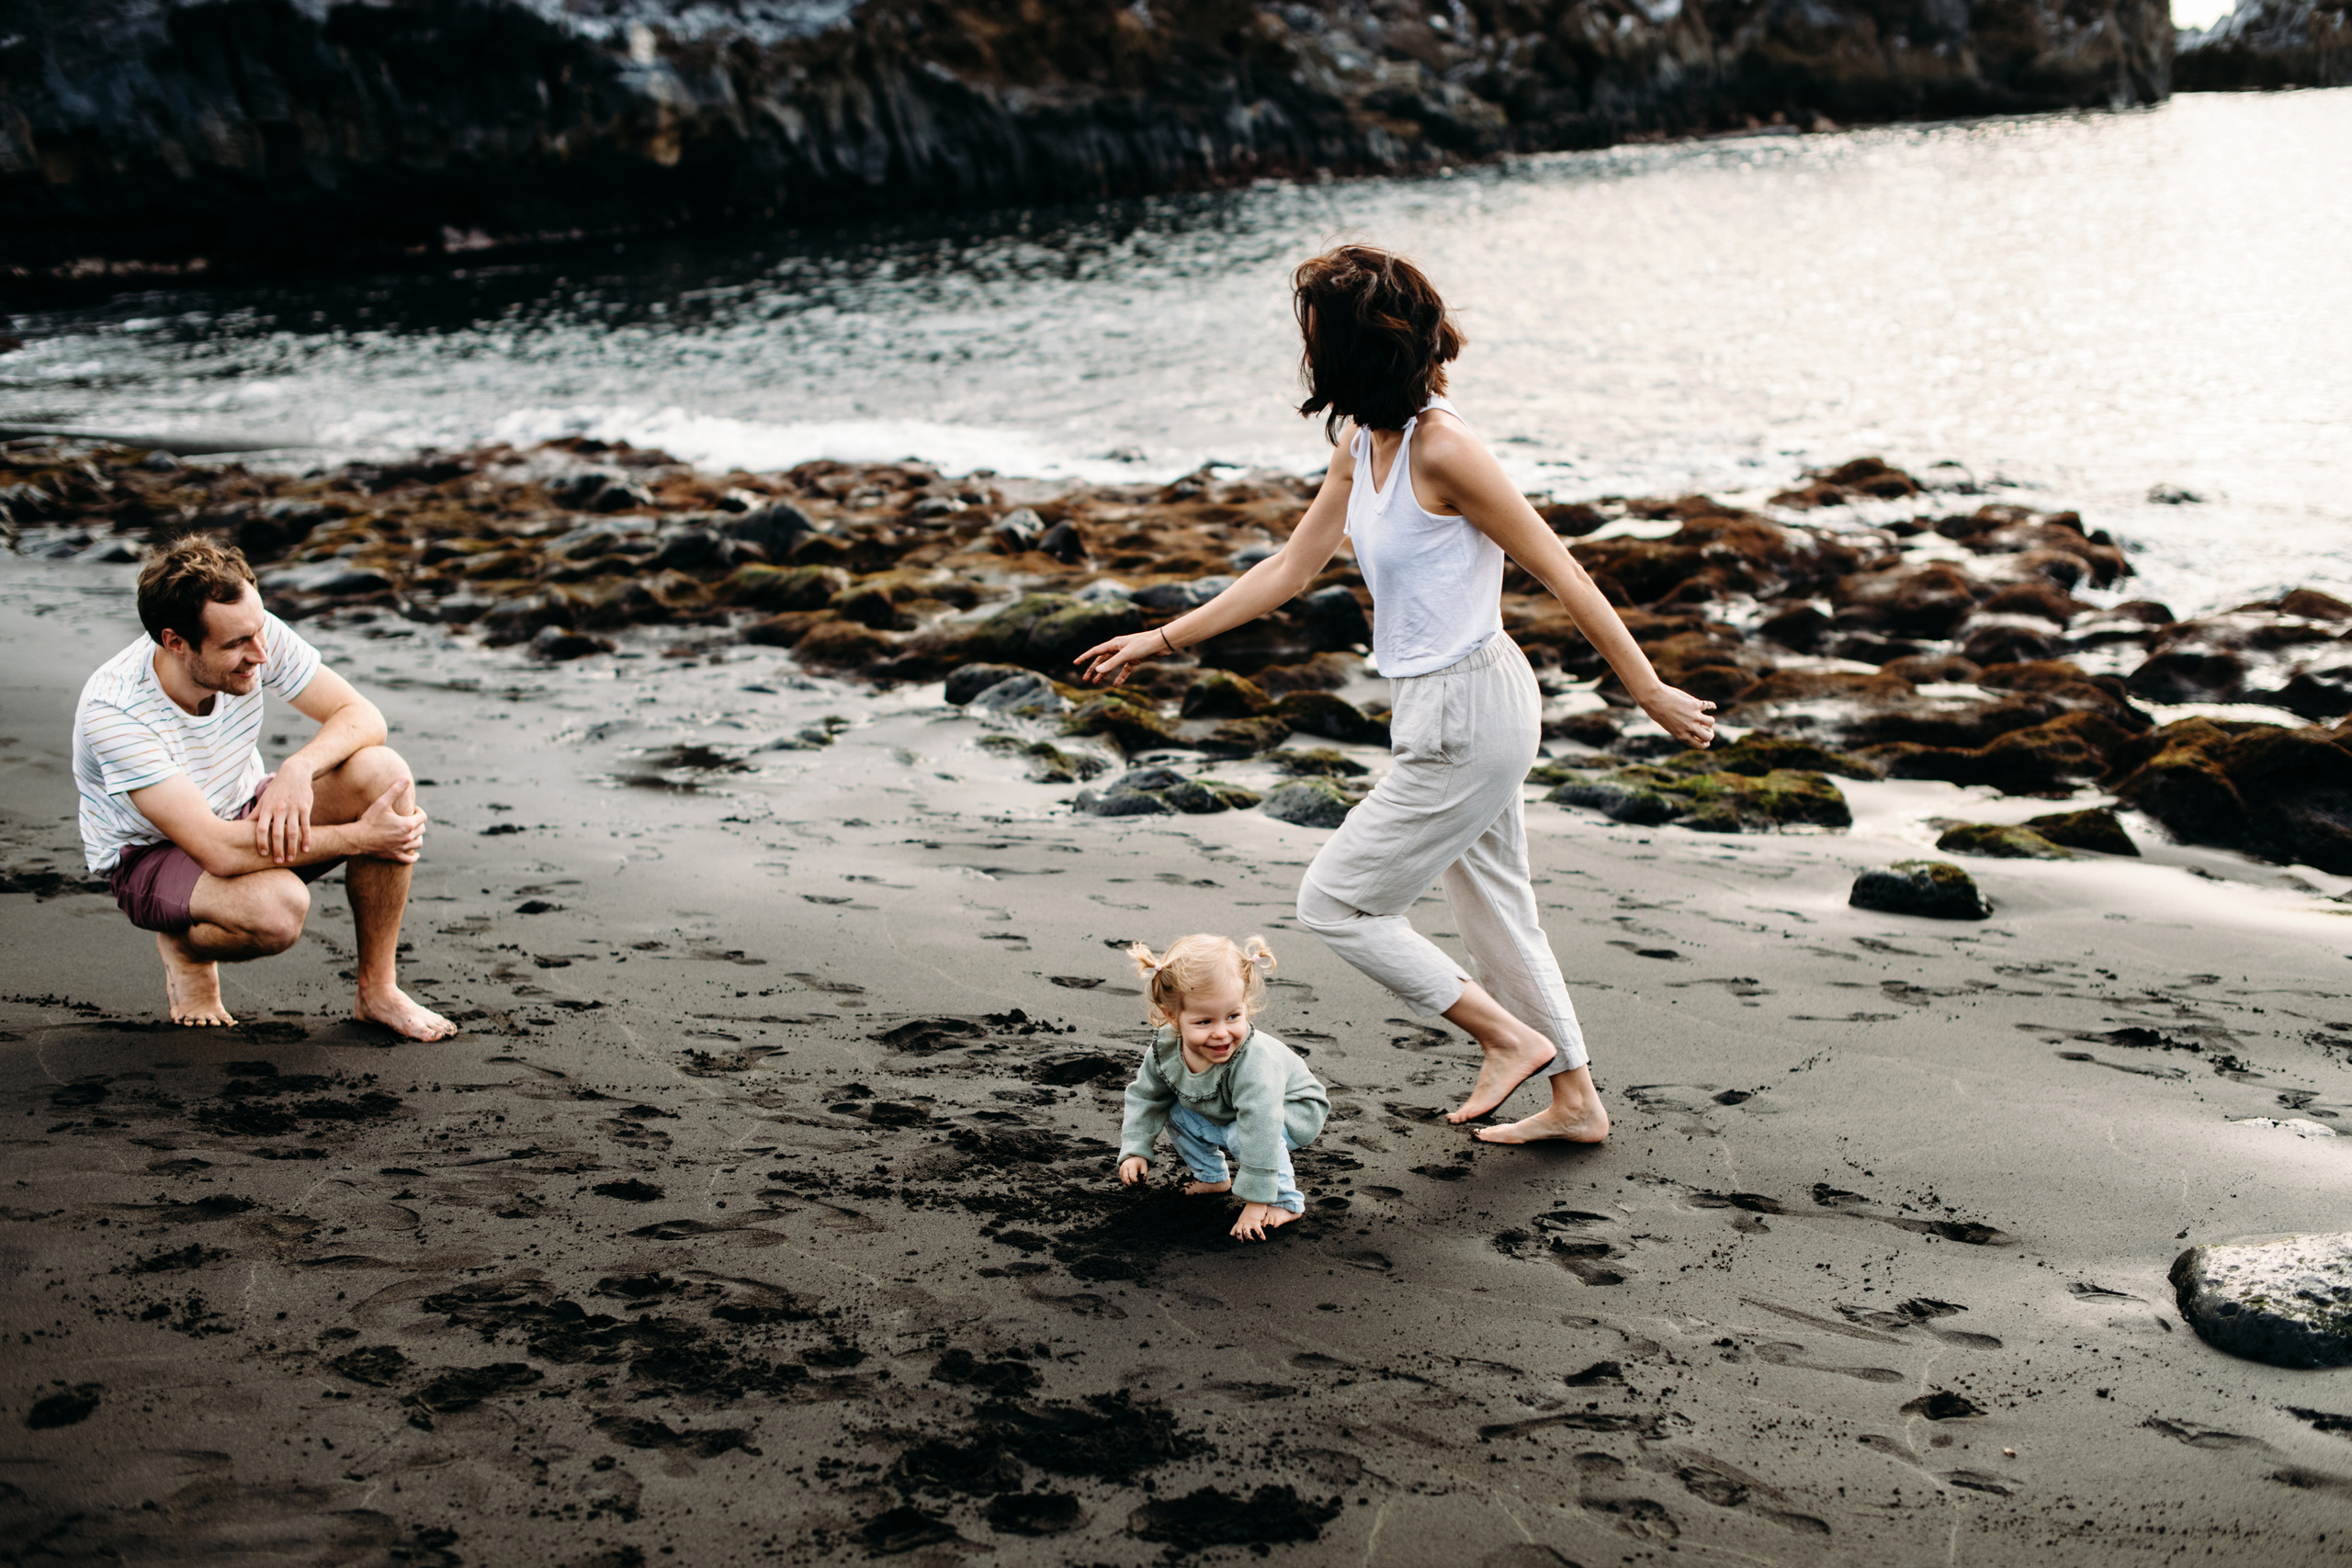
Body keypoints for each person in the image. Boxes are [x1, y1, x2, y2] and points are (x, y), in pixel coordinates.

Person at [1078, 245, 1716, 1145]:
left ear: (1349, 348)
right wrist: (1163, 636)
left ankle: (1506, 1040)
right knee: (1497, 913)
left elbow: (1560, 568)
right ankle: (1574, 1101)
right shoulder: (1362, 441)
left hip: (1471, 712)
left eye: (1312, 335)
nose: (1303, 351)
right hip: (1440, 708)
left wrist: (1646, 688)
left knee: (1336, 903)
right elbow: (1293, 567)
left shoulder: (1445, 449)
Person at [72, 535, 454, 1039]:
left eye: (258, 631)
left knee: (386, 776)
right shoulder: (116, 713)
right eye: (235, 645)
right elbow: (217, 849)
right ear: (175, 642)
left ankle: (377, 992)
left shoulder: (250, 630)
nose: (259, 653)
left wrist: (298, 769)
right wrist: (364, 838)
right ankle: (185, 946)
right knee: (276, 911)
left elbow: (362, 715)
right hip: (150, 854)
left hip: (242, 807)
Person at [1115, 934, 1331, 1243]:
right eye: (1204, 1022)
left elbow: (1261, 1126)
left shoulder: (1253, 1063)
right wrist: (1135, 1149)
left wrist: (1256, 1205)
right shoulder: (1165, 1049)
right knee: (1175, 1111)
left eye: (1233, 1016)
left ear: (1246, 1006)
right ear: (1172, 1017)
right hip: (1228, 1108)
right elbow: (1146, 1096)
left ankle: (1286, 1202)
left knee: (1240, 1134)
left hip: (1291, 1110)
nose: (1221, 1033)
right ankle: (1212, 1177)